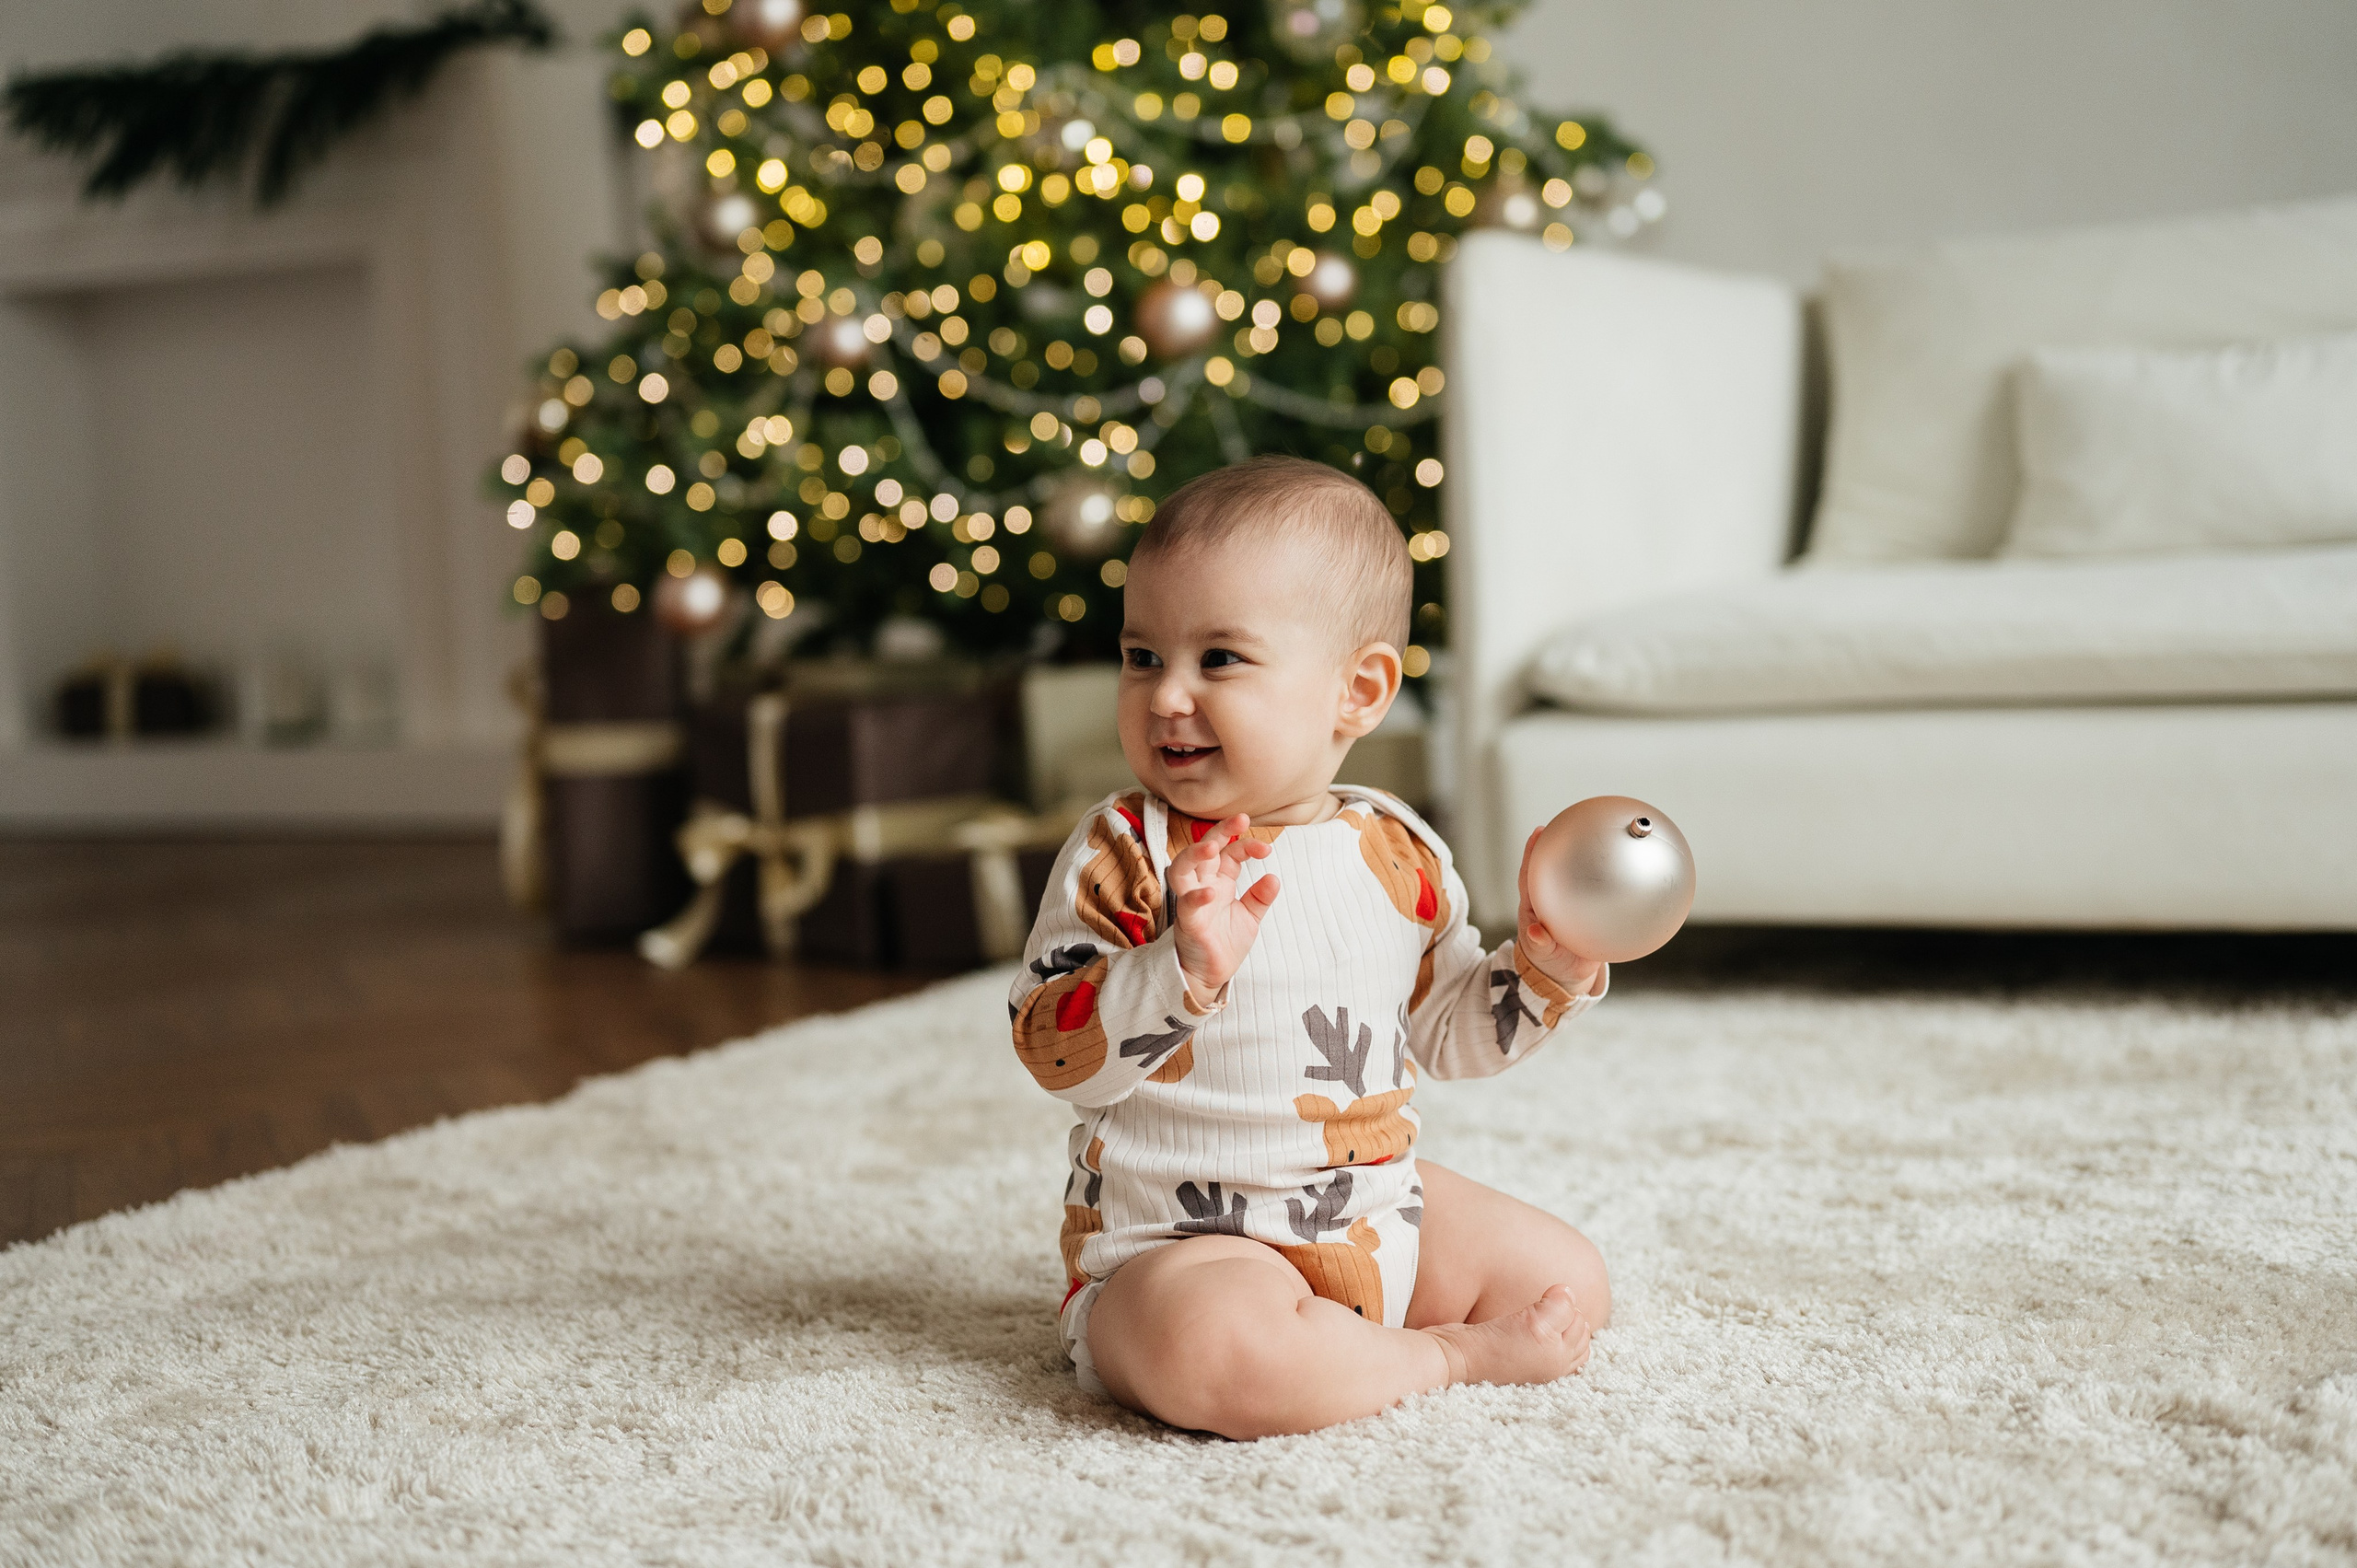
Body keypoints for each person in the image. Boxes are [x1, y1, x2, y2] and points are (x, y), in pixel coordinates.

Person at [1009, 456, 1611, 1440]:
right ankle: (1442, 1356)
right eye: (1141, 655)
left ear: (1358, 689)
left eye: (1219, 659)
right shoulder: (1126, 850)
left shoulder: (1396, 847)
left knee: (1570, 1277)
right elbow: (1049, 1048)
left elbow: (1450, 1032)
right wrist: (1181, 970)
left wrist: (1546, 967)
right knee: (1214, 1353)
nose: (1166, 695)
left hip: (1369, 1210)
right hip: (1182, 1249)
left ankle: (1354, 1338)